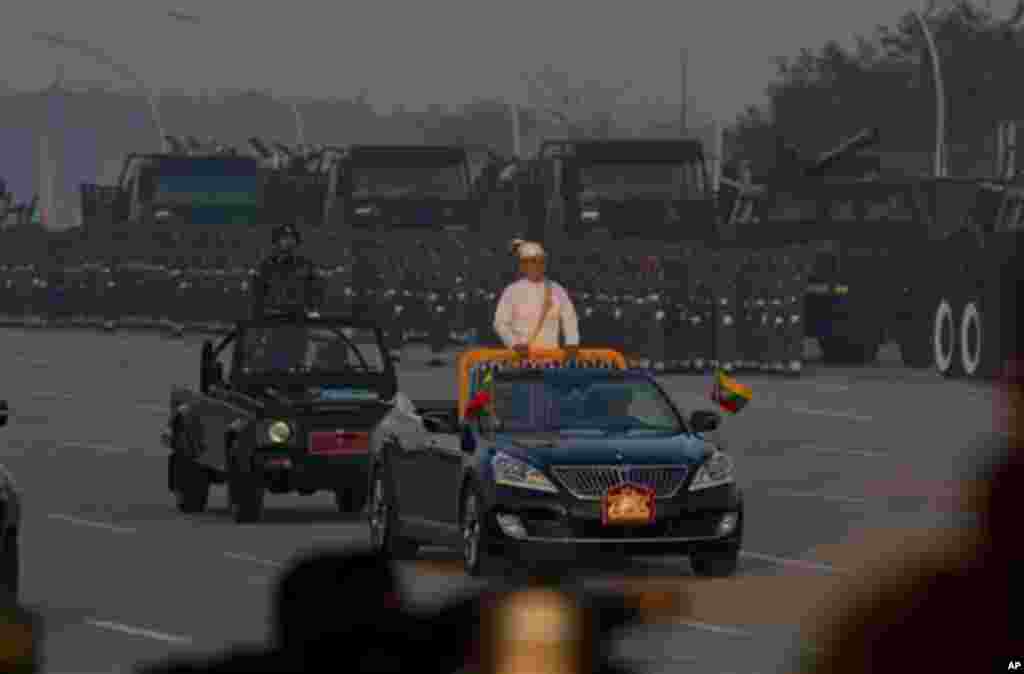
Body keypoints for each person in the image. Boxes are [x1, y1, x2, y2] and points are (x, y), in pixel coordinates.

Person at [493, 239, 580, 358]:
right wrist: (514, 344)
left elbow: (570, 319)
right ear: (523, 266)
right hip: (522, 359)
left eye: (541, 262)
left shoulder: (557, 289)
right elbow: (500, 323)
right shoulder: (512, 291)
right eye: (532, 262)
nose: (537, 266)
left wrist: (572, 343)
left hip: (552, 358)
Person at [250, 223, 321, 319]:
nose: (288, 241)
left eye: (292, 238)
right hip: (272, 319)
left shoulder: (306, 265)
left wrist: (313, 310)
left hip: (299, 318)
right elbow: (258, 297)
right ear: (276, 241)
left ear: (296, 242)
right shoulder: (265, 267)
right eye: (284, 238)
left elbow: (314, 292)